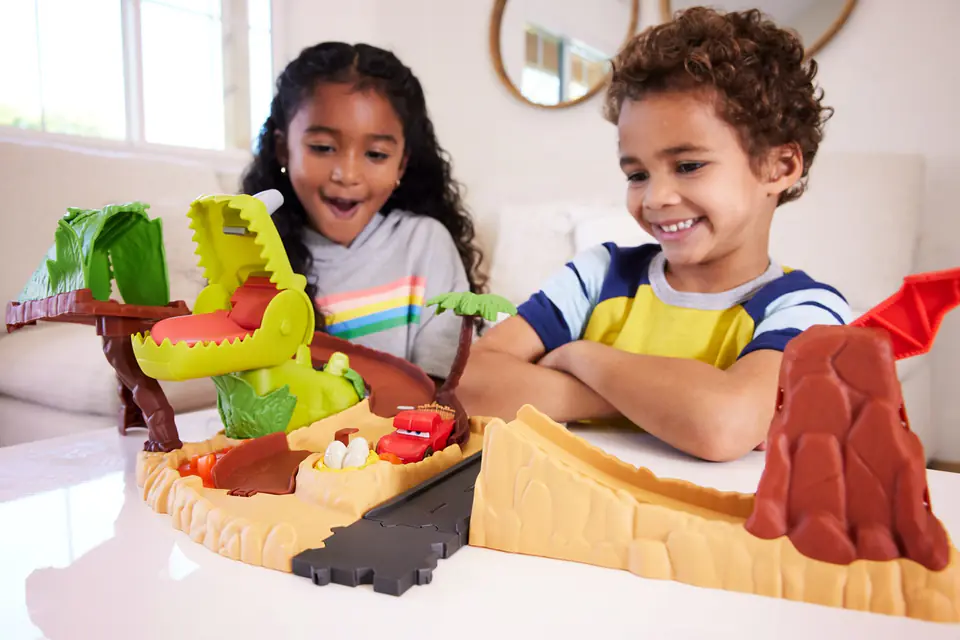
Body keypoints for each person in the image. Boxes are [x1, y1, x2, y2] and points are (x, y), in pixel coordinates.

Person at [458, 8, 852, 461]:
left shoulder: (807, 309)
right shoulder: (599, 275)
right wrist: (659, 405)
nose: (656, 197)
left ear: (779, 167)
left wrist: (582, 357)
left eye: (689, 166)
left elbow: (723, 425)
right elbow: (470, 384)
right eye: (637, 174)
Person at [241, 42, 486, 380]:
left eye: (376, 154)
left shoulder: (425, 243)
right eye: (323, 148)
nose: (348, 175)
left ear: (401, 164)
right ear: (284, 150)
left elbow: (443, 381)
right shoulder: (254, 253)